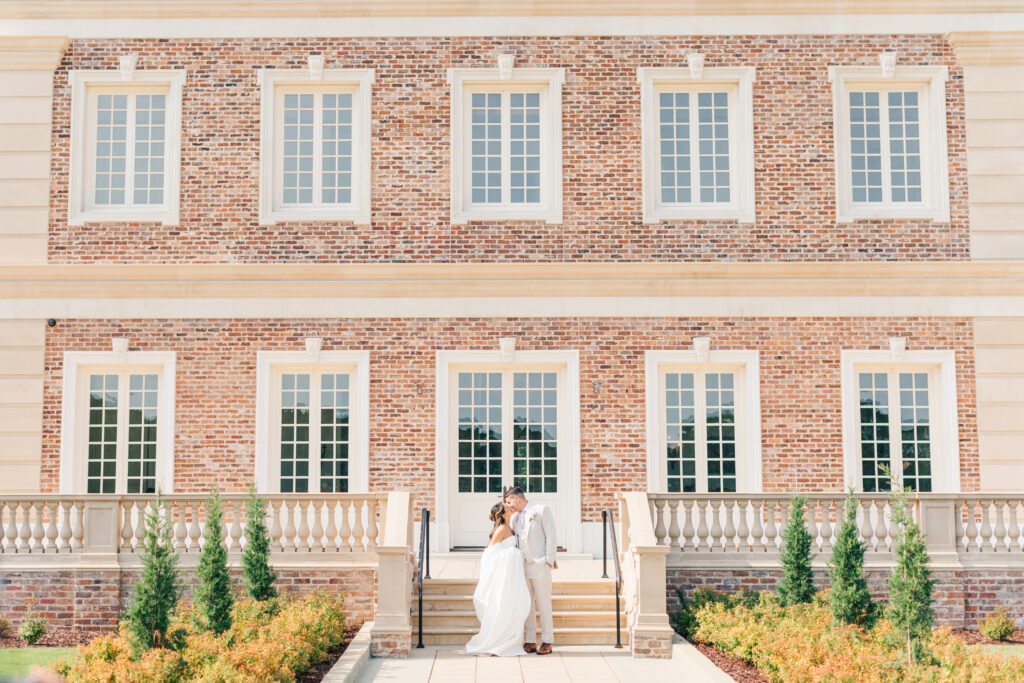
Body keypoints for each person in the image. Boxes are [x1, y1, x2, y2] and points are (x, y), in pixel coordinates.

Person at [464, 502, 531, 657]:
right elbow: (489, 553)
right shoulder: (501, 529)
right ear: (502, 514)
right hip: (503, 576)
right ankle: (497, 643)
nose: (510, 507)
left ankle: (508, 641)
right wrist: (511, 554)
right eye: (507, 507)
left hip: (512, 577)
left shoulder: (512, 525)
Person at [505, 486, 556, 655]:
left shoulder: (541, 510)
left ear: (517, 499)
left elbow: (551, 535)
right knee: (527, 605)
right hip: (523, 566)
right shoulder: (514, 518)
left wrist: (548, 561)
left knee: (544, 604)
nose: (508, 505)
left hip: (540, 564)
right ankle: (531, 640)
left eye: (509, 501)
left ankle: (547, 641)